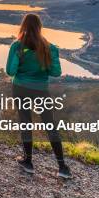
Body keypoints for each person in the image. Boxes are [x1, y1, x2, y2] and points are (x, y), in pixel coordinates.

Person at [5, 13, 72, 179]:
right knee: (50, 126)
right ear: (40, 27)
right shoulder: (50, 48)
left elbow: (10, 71)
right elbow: (56, 72)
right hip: (41, 90)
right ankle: (62, 166)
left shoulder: (17, 46)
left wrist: (19, 58)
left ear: (24, 26)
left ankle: (28, 163)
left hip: (20, 88)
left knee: (26, 124)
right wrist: (51, 58)